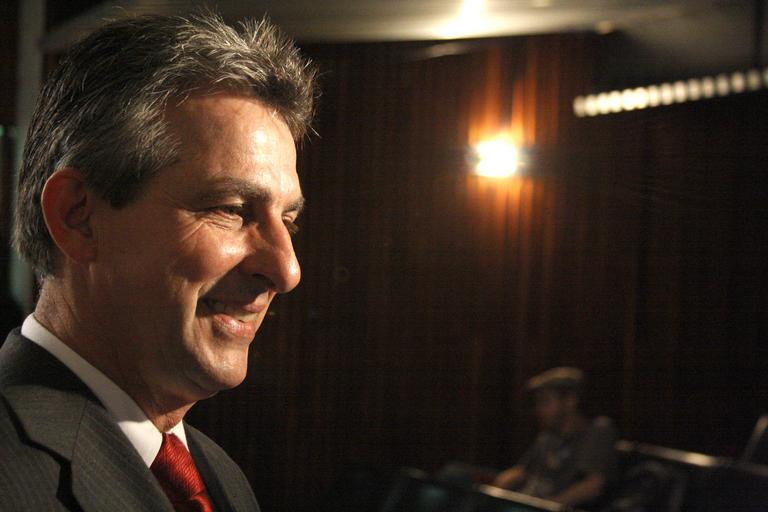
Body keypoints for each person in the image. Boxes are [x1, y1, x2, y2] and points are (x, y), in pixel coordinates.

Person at [0, 11, 316, 511]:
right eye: (232, 209)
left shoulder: (221, 479)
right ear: (77, 217)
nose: (286, 270)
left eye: (288, 221)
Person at [493, 367, 617, 507]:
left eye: (545, 402)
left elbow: (593, 485)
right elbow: (521, 470)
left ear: (570, 400)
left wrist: (546, 506)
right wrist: (494, 492)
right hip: (525, 503)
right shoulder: (548, 436)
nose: (539, 409)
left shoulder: (597, 430)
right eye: (538, 403)